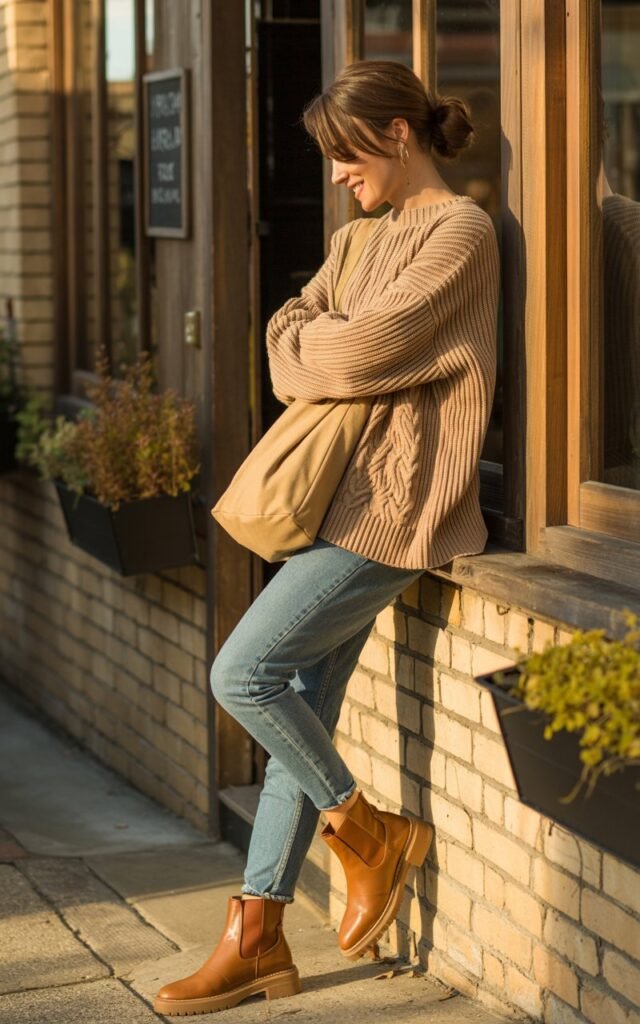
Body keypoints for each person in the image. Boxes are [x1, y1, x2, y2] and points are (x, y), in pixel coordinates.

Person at [154, 58, 500, 1017]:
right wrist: (324, 347)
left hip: (394, 512)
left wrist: (326, 348)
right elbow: (285, 339)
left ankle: (369, 833)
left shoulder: (460, 232)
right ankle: (256, 934)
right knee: (296, 699)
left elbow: (350, 350)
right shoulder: (356, 241)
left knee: (242, 676)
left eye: (348, 155)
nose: (339, 177)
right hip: (337, 505)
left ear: (397, 134)